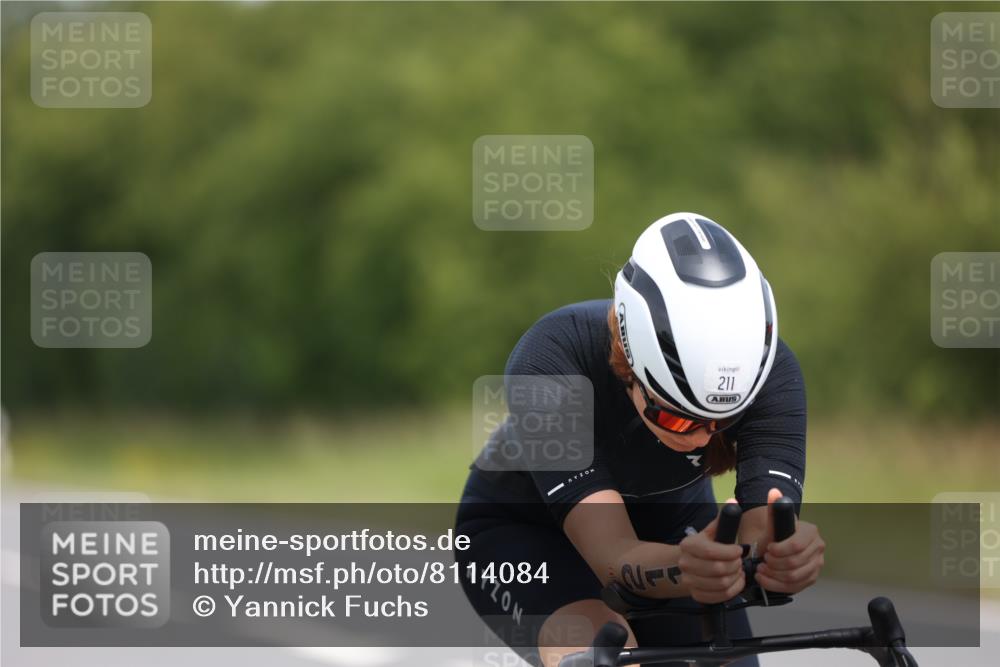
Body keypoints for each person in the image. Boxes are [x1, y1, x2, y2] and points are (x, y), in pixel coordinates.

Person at [455, 213, 825, 667]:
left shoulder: (774, 374)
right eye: (676, 418)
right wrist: (691, 570)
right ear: (628, 369)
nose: (702, 438)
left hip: (675, 523)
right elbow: (614, 558)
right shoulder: (552, 359)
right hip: (526, 533)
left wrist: (777, 561)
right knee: (600, 654)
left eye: (725, 420)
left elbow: (757, 533)